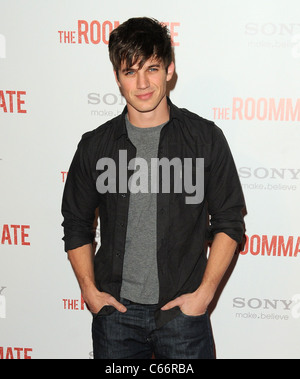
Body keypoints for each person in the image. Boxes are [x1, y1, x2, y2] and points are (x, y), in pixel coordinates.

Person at [61, 17, 245, 359]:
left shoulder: (204, 139)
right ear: (117, 77)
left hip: (182, 318)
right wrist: (90, 291)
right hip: (115, 317)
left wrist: (204, 295)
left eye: (152, 68)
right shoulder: (95, 145)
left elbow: (230, 222)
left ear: (170, 70)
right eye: (130, 71)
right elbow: (76, 224)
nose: (143, 83)